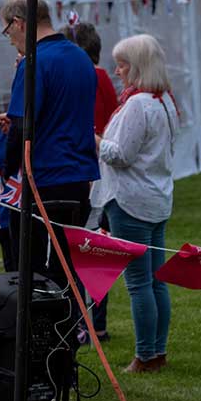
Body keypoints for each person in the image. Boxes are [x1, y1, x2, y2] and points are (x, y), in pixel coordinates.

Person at [0, 0, 99, 292]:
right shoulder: (80, 57)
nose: (9, 39)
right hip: (79, 178)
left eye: (7, 31)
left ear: (19, 24)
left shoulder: (33, 62)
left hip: (44, 179)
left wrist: (0, 159)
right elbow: (57, 113)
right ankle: (66, 334)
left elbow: (22, 127)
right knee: (67, 269)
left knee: (34, 274)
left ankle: (37, 336)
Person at [96, 33, 179, 374]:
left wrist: (95, 139)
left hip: (130, 201)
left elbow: (121, 155)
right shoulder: (165, 101)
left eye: (122, 65)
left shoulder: (137, 105)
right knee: (156, 280)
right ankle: (156, 352)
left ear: (138, 67)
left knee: (139, 283)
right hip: (157, 197)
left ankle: (145, 355)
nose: (117, 71)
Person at [61, 21, 118, 340]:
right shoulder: (102, 78)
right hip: (97, 169)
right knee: (97, 247)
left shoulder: (89, 78)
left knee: (85, 245)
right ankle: (96, 321)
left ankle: (86, 321)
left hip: (86, 170)